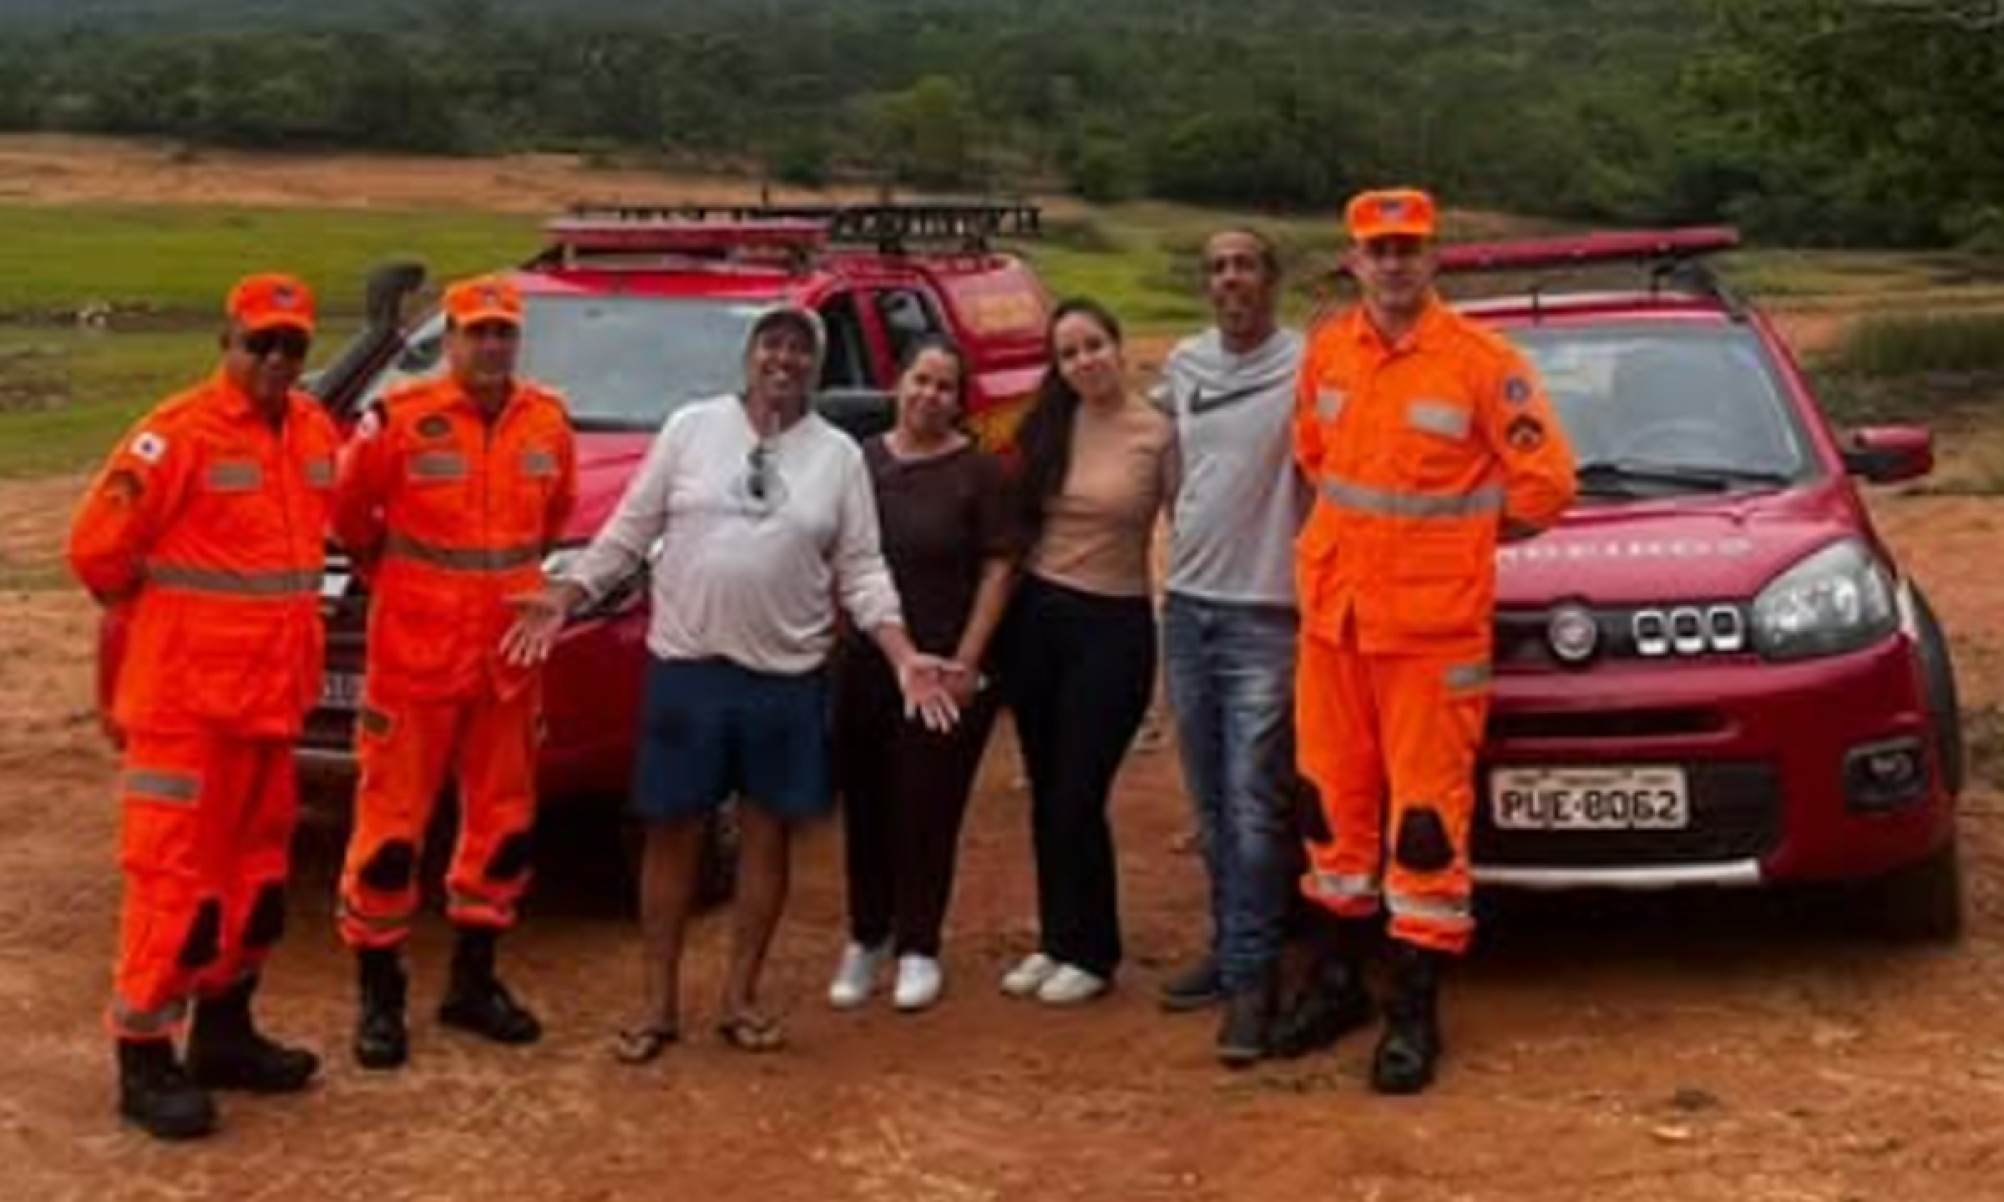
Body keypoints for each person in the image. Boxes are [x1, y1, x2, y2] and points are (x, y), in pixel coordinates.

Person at [501, 305, 957, 1060]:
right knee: (671, 832)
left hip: (786, 678)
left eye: (798, 348)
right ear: (748, 357)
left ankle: (741, 999)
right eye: (770, 345)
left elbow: (863, 569)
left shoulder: (838, 456)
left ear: (814, 367)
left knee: (766, 836)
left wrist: (903, 652)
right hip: (689, 669)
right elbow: (630, 530)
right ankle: (658, 1004)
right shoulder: (691, 429)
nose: (783, 359)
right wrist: (571, 593)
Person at [1281, 188, 1577, 1093]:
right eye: (1379, 249)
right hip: (1336, 626)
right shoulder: (1330, 349)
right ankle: (1337, 983)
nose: (1395, 262)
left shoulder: (1485, 364)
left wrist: (1455, 550)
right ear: (1355, 260)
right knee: (1330, 812)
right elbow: (1314, 457)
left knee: (1422, 829)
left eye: (1410, 247)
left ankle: (1413, 1011)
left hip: (1430, 638)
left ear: (1434, 257)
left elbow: (1546, 487)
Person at [68, 273, 335, 1140]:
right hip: (186, 713)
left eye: (292, 345)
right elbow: (96, 552)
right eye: (260, 341)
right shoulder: (174, 436)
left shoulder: (312, 433)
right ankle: (143, 1059)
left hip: (270, 708)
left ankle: (224, 1034)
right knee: (170, 888)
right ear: (227, 341)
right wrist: (170, 627)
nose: (275, 359)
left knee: (253, 886)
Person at [331, 275, 578, 1070]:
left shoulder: (547, 421)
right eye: (477, 332)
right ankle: (379, 997)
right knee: (390, 834)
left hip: (507, 663)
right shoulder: (400, 421)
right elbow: (350, 518)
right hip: (415, 661)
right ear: (453, 340)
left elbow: (553, 521)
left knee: (502, 827)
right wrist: (402, 584)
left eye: (504, 332)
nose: (492, 345)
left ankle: (474, 983)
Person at [1150, 229, 1310, 1065]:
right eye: (1215, 267)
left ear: (1272, 281)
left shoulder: (1309, 365)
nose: (1230, 279)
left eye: (1245, 265)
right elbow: (1151, 455)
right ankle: (1229, 949)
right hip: (1188, 607)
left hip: (1267, 613)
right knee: (1211, 805)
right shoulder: (1182, 365)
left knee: (1255, 808)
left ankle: (1256, 984)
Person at [827, 337, 1018, 1013]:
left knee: (927, 807)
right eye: (920, 381)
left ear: (958, 401)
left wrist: (968, 662)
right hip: (865, 664)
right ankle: (866, 936)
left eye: (944, 387)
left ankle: (918, 945)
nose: (929, 396)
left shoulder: (980, 473)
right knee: (867, 805)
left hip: (941, 669)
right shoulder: (860, 463)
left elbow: (999, 567)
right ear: (898, 384)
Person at [997, 298, 1175, 1007]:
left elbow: (1186, 524)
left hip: (1114, 625)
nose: (1084, 362)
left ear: (1118, 345)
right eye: (1068, 353)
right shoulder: (1048, 425)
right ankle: (1056, 938)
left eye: (1093, 345)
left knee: (1079, 791)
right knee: (1045, 789)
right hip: (1038, 618)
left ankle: (1094, 951)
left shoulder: (1158, 435)